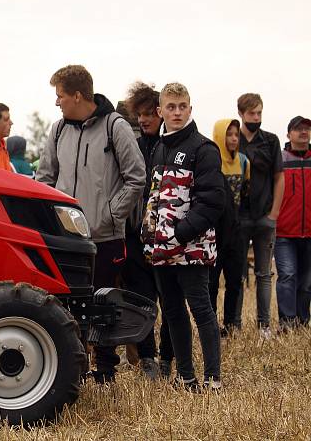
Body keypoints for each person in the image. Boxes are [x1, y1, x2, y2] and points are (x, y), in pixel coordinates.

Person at [36, 65, 146, 383]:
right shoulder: (57, 130)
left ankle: (107, 370)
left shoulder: (116, 127)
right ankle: (74, 367)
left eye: (60, 96)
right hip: (63, 238)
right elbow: (44, 178)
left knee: (102, 302)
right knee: (66, 302)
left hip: (104, 236)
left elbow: (136, 176)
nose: (57, 102)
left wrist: (110, 215)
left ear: (77, 96)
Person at [141, 82, 224, 391]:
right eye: (171, 107)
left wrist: (179, 233)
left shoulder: (203, 149)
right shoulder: (160, 148)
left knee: (201, 310)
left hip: (193, 249)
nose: (176, 112)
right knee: (173, 312)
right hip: (161, 249)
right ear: (160, 111)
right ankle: (186, 377)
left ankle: (213, 379)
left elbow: (213, 202)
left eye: (182, 106)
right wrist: (149, 234)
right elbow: (153, 197)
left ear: (190, 108)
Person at [121, 82, 172, 380]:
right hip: (135, 235)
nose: (143, 120)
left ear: (160, 113)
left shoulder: (173, 146)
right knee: (141, 300)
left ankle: (168, 356)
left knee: (171, 302)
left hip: (167, 237)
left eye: (148, 114)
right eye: (138, 115)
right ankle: (147, 358)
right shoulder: (135, 146)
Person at [236, 93, 284, 338]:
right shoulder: (234, 140)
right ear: (241, 114)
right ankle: (234, 325)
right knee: (237, 273)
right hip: (240, 217)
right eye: (252, 113)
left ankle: (264, 325)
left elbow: (279, 177)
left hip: (265, 217)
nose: (256, 117)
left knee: (264, 274)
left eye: (259, 113)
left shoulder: (271, 141)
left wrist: (274, 213)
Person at [208, 119, 250, 336]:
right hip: (215, 231)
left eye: (236, 135)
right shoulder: (211, 162)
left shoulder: (244, 162)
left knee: (235, 280)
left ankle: (232, 324)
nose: (234, 139)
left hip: (237, 231)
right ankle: (211, 324)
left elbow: (245, 194)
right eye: (229, 134)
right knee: (212, 282)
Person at [274, 116, 311, 329]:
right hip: (284, 232)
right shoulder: (280, 159)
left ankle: (303, 322)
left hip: (310, 232)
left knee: (306, 284)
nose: (303, 132)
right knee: (287, 276)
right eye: (298, 129)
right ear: (288, 134)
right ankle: (287, 323)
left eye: (306, 128)